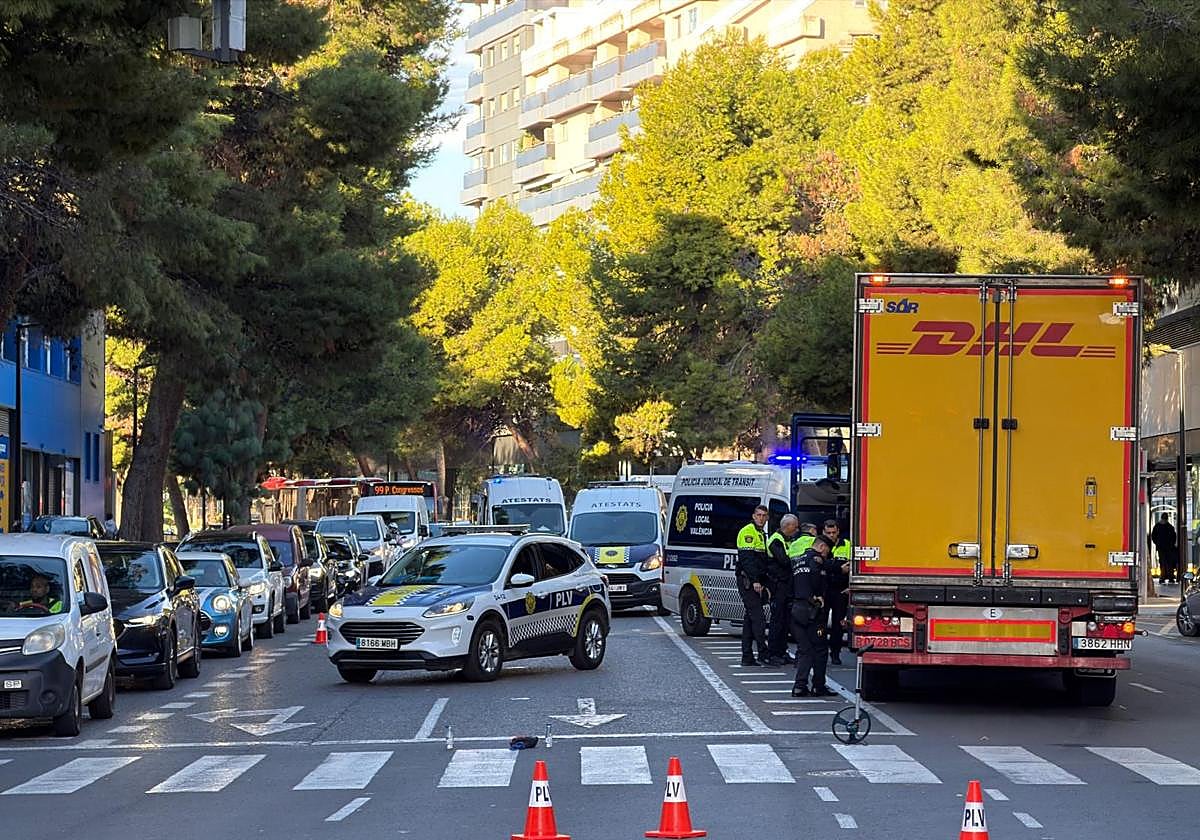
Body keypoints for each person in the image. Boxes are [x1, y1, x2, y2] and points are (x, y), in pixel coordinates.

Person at [791, 534, 836, 697]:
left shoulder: (798, 559)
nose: (826, 556)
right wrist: (818, 595)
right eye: (827, 552)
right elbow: (817, 578)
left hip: (796, 609)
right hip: (812, 611)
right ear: (822, 547)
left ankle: (799, 686)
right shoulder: (817, 561)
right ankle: (818, 686)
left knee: (804, 650)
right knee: (820, 649)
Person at [736, 505, 771, 666]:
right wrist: (756, 580)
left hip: (755, 580)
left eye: (764, 515)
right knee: (758, 618)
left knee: (750, 620)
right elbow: (747, 560)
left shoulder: (760, 533)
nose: (761, 518)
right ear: (753, 516)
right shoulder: (748, 531)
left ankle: (747, 656)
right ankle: (763, 653)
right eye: (759, 515)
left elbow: (762, 561)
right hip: (748, 581)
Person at [765, 514, 799, 666]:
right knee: (777, 621)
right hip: (778, 585)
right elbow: (784, 561)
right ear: (787, 526)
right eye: (795, 526)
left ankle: (782, 651)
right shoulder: (776, 540)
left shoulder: (786, 540)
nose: (796, 529)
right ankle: (773, 653)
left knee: (785, 621)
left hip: (786, 586)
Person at [822, 520, 852, 664]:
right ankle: (820, 651)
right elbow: (820, 565)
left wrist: (851, 586)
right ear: (824, 532)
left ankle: (835, 653)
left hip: (841, 590)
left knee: (838, 625)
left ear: (838, 531)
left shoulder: (847, 545)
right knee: (820, 623)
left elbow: (855, 567)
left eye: (834, 532)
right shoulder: (822, 546)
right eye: (828, 533)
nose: (831, 535)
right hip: (825, 589)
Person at [1152, 513, 1179, 584]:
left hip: (1161, 548)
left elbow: (1153, 537)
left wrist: (1157, 543)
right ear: (1167, 519)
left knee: (1162, 562)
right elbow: (1174, 537)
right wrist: (1171, 545)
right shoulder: (1170, 527)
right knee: (1169, 563)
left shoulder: (1157, 526)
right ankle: (1170, 577)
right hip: (1169, 548)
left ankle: (1162, 577)